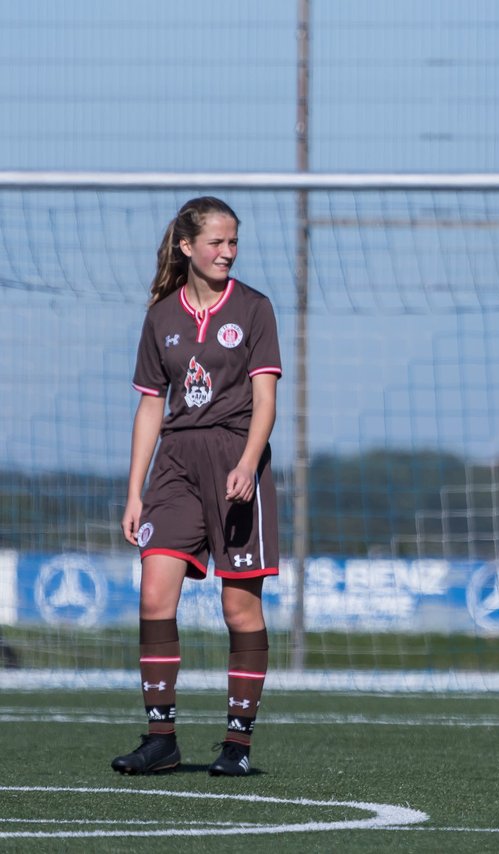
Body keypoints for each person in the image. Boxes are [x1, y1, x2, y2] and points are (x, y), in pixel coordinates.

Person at [114, 196, 282, 778]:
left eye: (234, 242)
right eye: (217, 242)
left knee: (240, 608)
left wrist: (248, 461)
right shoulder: (161, 315)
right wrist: (135, 491)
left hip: (237, 462)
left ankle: (237, 743)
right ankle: (161, 737)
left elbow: (266, 401)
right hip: (176, 465)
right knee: (155, 593)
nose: (227, 253)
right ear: (187, 246)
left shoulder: (255, 309)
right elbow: (148, 407)